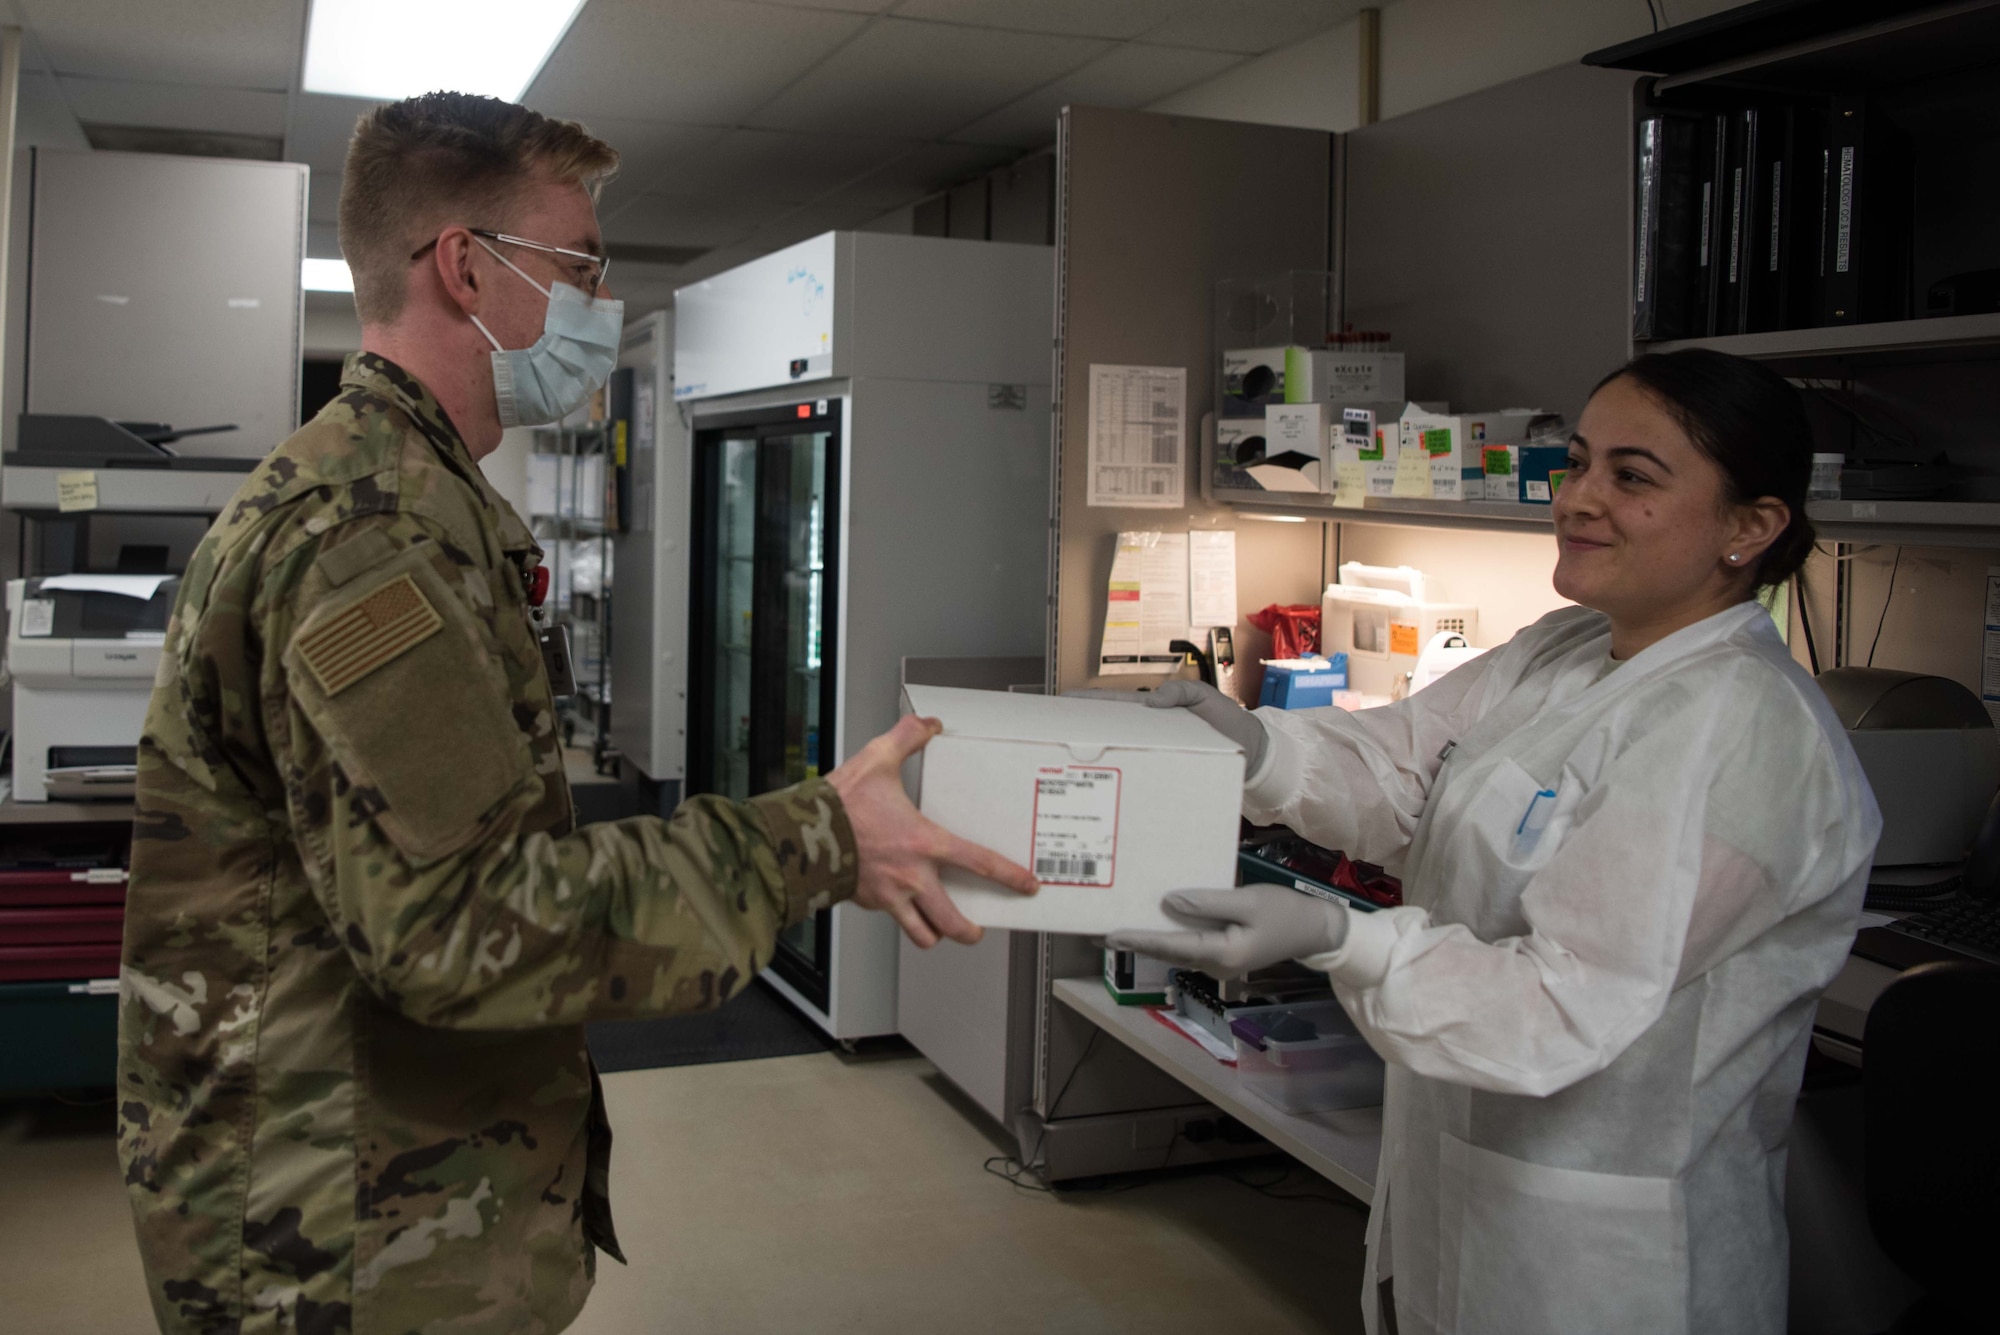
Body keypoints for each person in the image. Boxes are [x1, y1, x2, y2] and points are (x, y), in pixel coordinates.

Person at [116, 92, 1034, 1335]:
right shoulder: (366, 534)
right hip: (339, 1243)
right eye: (581, 266)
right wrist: (817, 837)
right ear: (464, 268)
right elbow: (459, 921)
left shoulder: (412, 499)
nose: (599, 304)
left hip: (383, 1196)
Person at [1111, 350, 1881, 1335]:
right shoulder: (1563, 648)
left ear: (1748, 527)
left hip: (1607, 1257)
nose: (1576, 500)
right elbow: (1402, 773)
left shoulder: (1737, 731)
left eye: (1630, 477)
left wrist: (1337, 939)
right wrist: (1253, 746)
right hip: (1469, 1194)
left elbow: (1561, 1001)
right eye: (1577, 463)